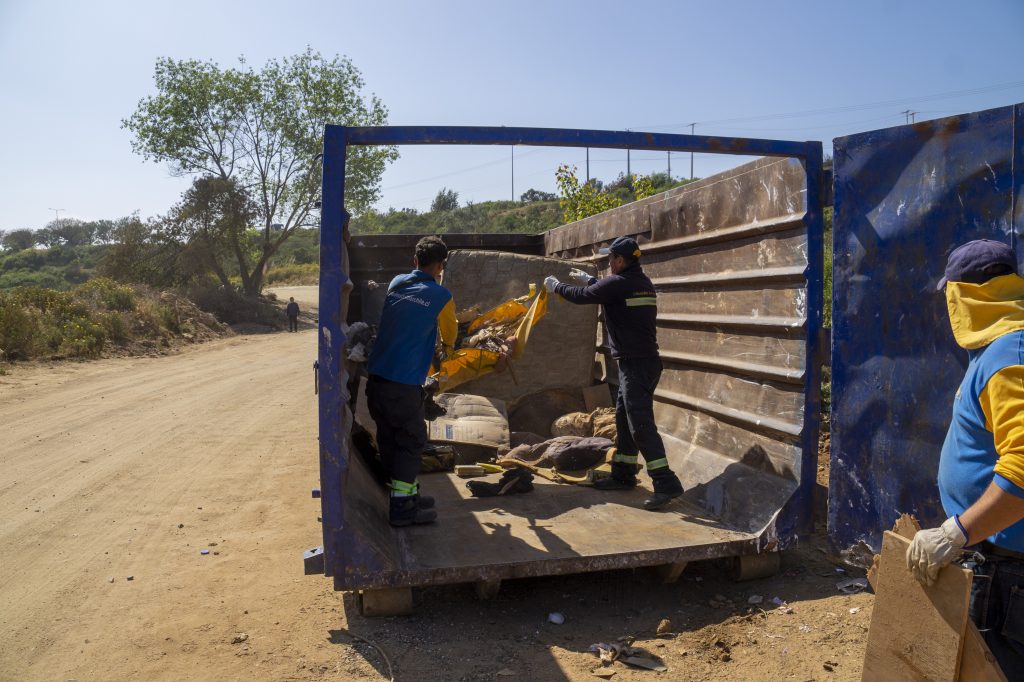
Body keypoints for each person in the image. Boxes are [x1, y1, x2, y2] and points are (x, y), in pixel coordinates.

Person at [907, 239, 1024, 677]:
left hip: (1008, 577)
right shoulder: (1005, 348)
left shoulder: (1010, 357)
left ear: (965, 295)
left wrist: (957, 532)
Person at [543, 235, 684, 510]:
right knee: (623, 419)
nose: (608, 263)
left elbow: (585, 297)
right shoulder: (640, 282)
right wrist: (593, 281)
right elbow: (611, 292)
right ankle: (623, 474)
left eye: (610, 259)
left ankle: (666, 482)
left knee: (640, 426)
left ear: (620, 260)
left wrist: (557, 286)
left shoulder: (620, 283)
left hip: (637, 365)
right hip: (643, 363)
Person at [366, 236, 457, 527]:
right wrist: (449, 353)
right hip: (402, 386)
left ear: (415, 261)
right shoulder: (442, 295)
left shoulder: (397, 284)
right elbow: (450, 335)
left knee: (391, 439)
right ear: (441, 266)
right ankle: (403, 509)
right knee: (412, 441)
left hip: (377, 381)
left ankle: (404, 495)